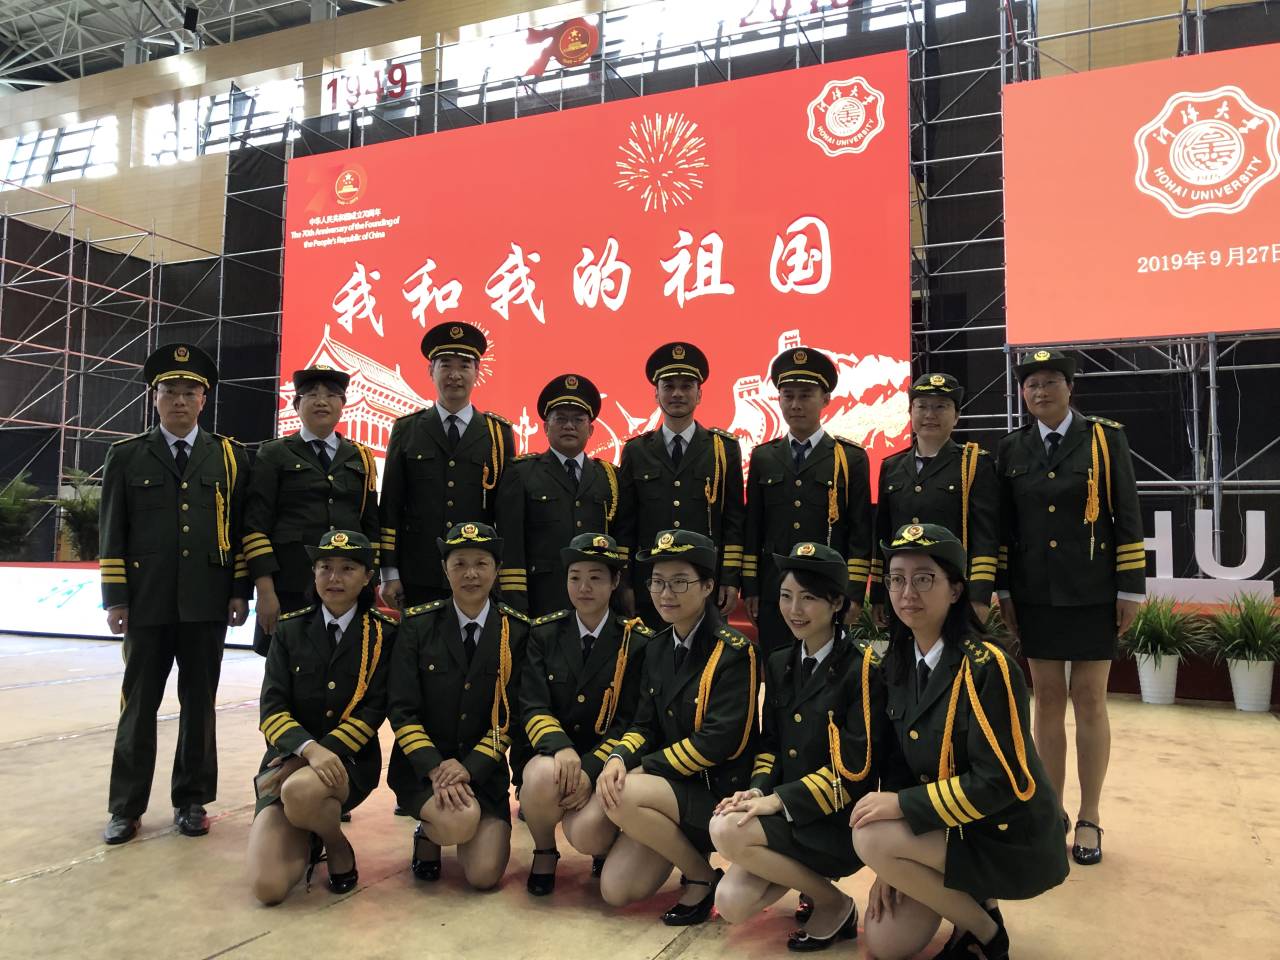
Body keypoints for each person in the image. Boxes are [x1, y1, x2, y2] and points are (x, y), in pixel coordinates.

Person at [850, 523, 1068, 960]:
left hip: (1002, 835)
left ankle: (985, 933)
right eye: (896, 579)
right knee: (886, 943)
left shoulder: (988, 667)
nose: (907, 592)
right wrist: (888, 868)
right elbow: (898, 766)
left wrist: (902, 810)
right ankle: (977, 903)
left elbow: (1000, 782)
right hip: (947, 826)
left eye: (923, 578)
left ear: (955, 590)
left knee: (871, 835)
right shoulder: (896, 664)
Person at [995, 349, 1144, 866]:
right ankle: (1049, 812)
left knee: (1090, 698)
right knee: (1047, 699)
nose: (1041, 392)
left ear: (1070, 387)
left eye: (1050, 382)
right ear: (1023, 393)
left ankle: (1090, 816)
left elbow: (1127, 514)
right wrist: (1005, 590)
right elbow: (1005, 527)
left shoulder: (1104, 438)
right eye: (1032, 384)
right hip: (1035, 593)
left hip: (1093, 590)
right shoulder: (1011, 448)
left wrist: (1130, 589)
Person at [98, 342, 251, 845]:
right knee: (138, 706)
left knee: (199, 705)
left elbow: (240, 529)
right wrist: (115, 598)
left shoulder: (229, 457)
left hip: (207, 601)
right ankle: (125, 808)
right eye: (170, 392)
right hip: (147, 602)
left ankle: (192, 801)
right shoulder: (126, 455)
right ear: (154, 397)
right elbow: (112, 532)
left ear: (204, 399)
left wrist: (239, 590)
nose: (179, 400)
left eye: (189, 392)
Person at [710, 541, 884, 951]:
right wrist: (757, 790)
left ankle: (831, 902)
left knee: (726, 830)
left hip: (834, 822)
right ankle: (830, 897)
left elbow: (854, 771)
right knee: (731, 902)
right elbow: (770, 744)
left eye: (808, 598)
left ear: (837, 602)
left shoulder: (863, 669)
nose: (794, 610)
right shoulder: (779, 661)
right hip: (786, 815)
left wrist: (778, 801)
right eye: (786, 596)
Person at [595, 530, 758, 925]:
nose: (666, 594)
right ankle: (695, 860)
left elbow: (719, 741)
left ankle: (701, 878)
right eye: (658, 582)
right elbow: (644, 724)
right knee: (616, 890)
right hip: (668, 789)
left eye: (680, 582)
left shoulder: (734, 652)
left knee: (625, 791)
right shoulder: (656, 647)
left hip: (716, 792)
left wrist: (644, 769)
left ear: (708, 586)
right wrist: (618, 757)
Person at [246, 531, 395, 902]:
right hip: (288, 760)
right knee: (268, 888)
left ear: (367, 577)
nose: (334, 578)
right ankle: (311, 829)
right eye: (325, 567)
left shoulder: (384, 634)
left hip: (349, 763)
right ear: (313, 573)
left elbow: (374, 708)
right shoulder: (289, 629)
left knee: (300, 791)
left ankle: (334, 841)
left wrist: (325, 752)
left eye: (347, 568)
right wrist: (309, 751)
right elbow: (272, 708)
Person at [387, 521, 530, 889]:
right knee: (458, 822)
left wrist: (469, 768)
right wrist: (436, 768)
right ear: (444, 569)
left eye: (481, 563)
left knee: (484, 876)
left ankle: (462, 825)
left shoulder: (516, 630)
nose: (470, 574)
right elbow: (402, 709)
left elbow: (512, 715)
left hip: (484, 770)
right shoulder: (417, 625)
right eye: (459, 564)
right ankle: (428, 831)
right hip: (425, 770)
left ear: (497, 569)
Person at [517, 532, 653, 895]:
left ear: (615, 582)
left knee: (588, 833)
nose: (584, 587)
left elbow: (630, 720)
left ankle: (603, 847)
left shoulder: (636, 642)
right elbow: (533, 704)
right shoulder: (544, 633)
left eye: (595, 577)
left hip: (604, 760)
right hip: (554, 756)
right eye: (575, 577)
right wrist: (560, 747)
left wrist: (590, 769)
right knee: (539, 777)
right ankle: (544, 850)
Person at [243, 365, 380, 656]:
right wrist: (265, 592)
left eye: (331, 395)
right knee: (285, 667)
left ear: (343, 404)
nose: (322, 401)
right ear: (296, 405)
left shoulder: (361, 457)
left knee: (345, 664)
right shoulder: (274, 453)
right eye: (312, 395)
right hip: (290, 585)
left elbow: (371, 527)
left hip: (347, 588)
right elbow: (256, 527)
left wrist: (371, 582)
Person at [744, 347, 872, 654]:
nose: (795, 405)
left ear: (825, 399)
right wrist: (750, 587)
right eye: (787, 396)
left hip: (827, 590)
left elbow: (860, 531)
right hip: (776, 591)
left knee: (827, 671)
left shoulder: (850, 458)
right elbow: (753, 528)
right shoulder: (763, 457)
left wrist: (854, 591)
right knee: (776, 668)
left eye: (805, 395)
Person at [379, 321, 515, 609]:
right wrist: (389, 574)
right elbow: (391, 506)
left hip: (477, 574)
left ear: (477, 372)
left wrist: (503, 574)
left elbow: (506, 513)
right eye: (445, 366)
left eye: (464, 366)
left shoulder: (498, 434)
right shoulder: (407, 429)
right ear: (431, 371)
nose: (455, 375)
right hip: (418, 571)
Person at [615, 342, 744, 626]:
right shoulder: (636, 450)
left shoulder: (723, 449)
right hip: (652, 584)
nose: (677, 393)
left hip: (705, 581)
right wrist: (625, 583)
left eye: (686, 386)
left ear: (699, 394)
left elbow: (733, 520)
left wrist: (730, 578)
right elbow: (626, 524)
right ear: (656, 394)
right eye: (668, 386)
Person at [871, 372, 999, 622]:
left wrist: (979, 596)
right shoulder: (892, 466)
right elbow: (883, 534)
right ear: (910, 413)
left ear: (957, 416)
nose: (930, 414)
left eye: (941, 406)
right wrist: (878, 593)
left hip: (951, 591)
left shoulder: (973, 464)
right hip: (903, 593)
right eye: (922, 406)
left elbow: (985, 535)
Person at [495, 375, 623, 617]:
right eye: (560, 419)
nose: (569, 426)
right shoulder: (521, 473)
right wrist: (516, 607)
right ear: (545, 427)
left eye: (578, 420)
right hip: (542, 600)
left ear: (591, 429)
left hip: (597, 603)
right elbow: (511, 546)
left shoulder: (609, 477)